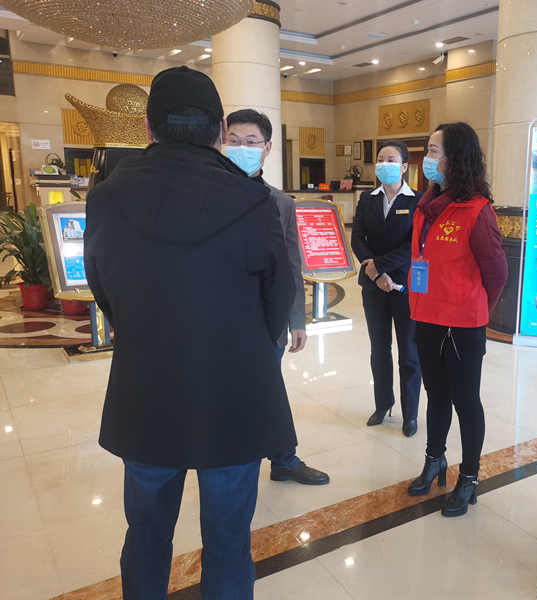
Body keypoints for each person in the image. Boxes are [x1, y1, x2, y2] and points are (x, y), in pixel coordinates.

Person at [84, 66, 297, 599]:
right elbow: (279, 295)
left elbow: (102, 286)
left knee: (146, 534)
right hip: (235, 392)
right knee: (228, 539)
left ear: (149, 128)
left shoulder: (106, 196)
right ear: (220, 130)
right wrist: (244, 340)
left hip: (146, 389)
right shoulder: (254, 200)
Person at [406, 122, 507, 517]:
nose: (428, 158)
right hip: (427, 317)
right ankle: (435, 460)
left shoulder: (477, 210)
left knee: (466, 400)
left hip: (462, 325)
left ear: (456, 158)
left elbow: (496, 273)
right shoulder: (426, 204)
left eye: (434, 151)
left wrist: (473, 306)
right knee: (436, 396)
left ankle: (469, 477)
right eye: (429, 150)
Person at [225, 108, 329, 485]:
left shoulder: (280, 202)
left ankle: (283, 460)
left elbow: (291, 264)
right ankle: (234, 463)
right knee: (231, 394)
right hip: (222, 318)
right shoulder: (211, 195)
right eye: (234, 141)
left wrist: (297, 320)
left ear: (267, 148)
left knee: (268, 390)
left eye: (251, 142)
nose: (242, 148)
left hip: (267, 319)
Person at [351, 141, 423, 437]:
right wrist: (376, 273)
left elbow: (414, 244)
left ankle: (410, 414)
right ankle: (383, 404)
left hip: (405, 286)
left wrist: (379, 267)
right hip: (373, 287)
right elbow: (357, 238)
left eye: (391, 160)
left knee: (409, 353)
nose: (384, 164)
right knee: (379, 350)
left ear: (404, 166)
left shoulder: (418, 200)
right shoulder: (367, 198)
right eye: (381, 159)